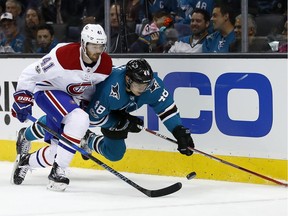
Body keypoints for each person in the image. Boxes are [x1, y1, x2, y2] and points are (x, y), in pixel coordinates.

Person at [15, 59, 194, 174]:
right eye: (140, 85)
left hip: (114, 111)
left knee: (115, 154)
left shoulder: (152, 86)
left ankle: (88, 140)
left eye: (146, 85)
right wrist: (120, 120)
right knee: (66, 122)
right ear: (128, 80)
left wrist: (178, 130)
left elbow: (166, 108)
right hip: (87, 103)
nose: (144, 89)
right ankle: (26, 134)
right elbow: (92, 118)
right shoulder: (111, 89)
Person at [11, 24, 112, 191]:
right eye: (94, 46)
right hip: (47, 90)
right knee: (79, 119)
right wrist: (23, 98)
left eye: (101, 46)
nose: (97, 51)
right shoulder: (63, 56)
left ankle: (26, 162)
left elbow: (91, 89)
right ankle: (58, 173)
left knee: (57, 152)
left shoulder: (105, 64)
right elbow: (30, 73)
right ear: (83, 43)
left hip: (70, 98)